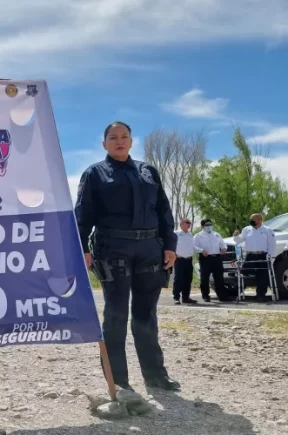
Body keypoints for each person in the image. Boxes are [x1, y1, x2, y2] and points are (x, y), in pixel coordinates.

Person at [75, 121, 180, 392]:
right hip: (113, 248)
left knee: (146, 314)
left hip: (149, 249)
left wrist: (169, 244)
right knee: (116, 314)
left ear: (132, 141)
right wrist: (82, 248)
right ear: (104, 144)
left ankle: (155, 376)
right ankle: (119, 381)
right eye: (113, 137)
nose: (119, 141)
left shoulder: (148, 172)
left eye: (124, 137)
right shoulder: (95, 174)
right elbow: (83, 215)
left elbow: (163, 210)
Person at [234, 213, 277, 302]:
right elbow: (238, 241)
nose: (251, 221)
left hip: (262, 255)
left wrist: (270, 256)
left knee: (263, 276)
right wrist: (236, 236)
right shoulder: (246, 229)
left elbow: (272, 244)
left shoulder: (268, 230)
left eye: (253, 219)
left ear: (259, 220)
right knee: (243, 273)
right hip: (250, 255)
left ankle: (260, 295)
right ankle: (239, 293)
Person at [193, 219, 230, 302]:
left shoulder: (216, 234)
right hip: (205, 258)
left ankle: (222, 296)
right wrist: (201, 250)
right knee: (205, 278)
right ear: (202, 226)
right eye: (207, 225)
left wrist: (224, 248)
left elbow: (223, 244)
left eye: (210, 224)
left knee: (219, 277)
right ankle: (205, 295)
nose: (209, 226)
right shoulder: (198, 236)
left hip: (217, 258)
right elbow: (194, 246)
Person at [172, 218, 197, 304]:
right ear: (181, 224)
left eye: (190, 223)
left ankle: (186, 297)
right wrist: (174, 254)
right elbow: (171, 245)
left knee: (188, 279)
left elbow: (193, 246)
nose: (189, 224)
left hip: (189, 260)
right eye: (187, 222)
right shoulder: (176, 234)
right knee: (178, 279)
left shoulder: (190, 235)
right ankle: (176, 297)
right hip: (179, 259)